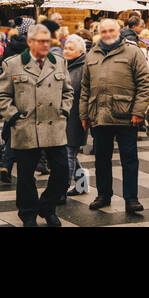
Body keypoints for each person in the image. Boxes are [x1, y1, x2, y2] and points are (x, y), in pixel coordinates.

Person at [0, 24, 72, 227]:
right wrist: (14, 116)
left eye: (48, 41)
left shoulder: (59, 63)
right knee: (26, 176)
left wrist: (64, 110)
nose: (45, 45)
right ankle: (28, 214)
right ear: (30, 42)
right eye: (40, 41)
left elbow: (68, 92)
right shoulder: (13, 64)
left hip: (54, 126)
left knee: (63, 172)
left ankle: (47, 207)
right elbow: (1, 95)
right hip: (26, 127)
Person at [79, 16, 149, 214]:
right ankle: (103, 194)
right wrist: (84, 114)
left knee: (129, 158)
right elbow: (85, 87)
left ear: (118, 31)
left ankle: (131, 198)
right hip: (99, 115)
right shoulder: (92, 54)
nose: (108, 34)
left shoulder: (133, 51)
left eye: (111, 31)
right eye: (104, 31)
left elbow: (145, 83)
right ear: (99, 34)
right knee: (101, 158)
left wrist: (138, 111)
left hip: (126, 115)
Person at [62, 34, 88, 200]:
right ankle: (82, 184)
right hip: (64, 115)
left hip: (76, 116)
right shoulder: (65, 65)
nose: (66, 51)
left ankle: (61, 191)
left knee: (68, 153)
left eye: (70, 49)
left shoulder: (84, 68)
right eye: (65, 47)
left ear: (80, 51)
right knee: (70, 152)